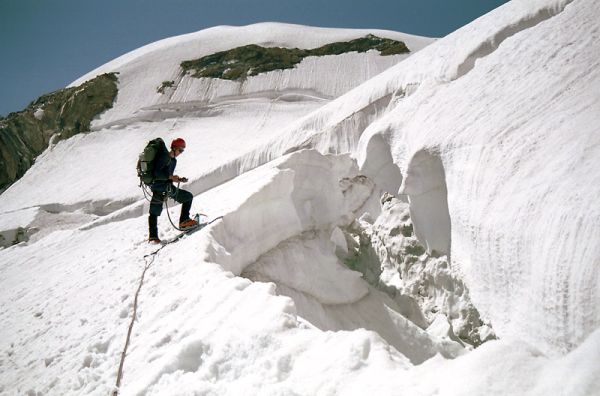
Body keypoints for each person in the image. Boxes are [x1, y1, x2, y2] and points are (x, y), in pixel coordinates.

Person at [148, 138, 198, 243]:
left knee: (155, 210)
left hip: (166, 187)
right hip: (160, 187)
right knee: (154, 211)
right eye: (180, 150)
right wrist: (171, 177)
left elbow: (167, 176)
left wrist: (178, 179)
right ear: (174, 148)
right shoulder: (164, 157)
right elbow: (157, 174)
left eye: (182, 151)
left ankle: (153, 237)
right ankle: (154, 236)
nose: (181, 153)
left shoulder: (173, 160)